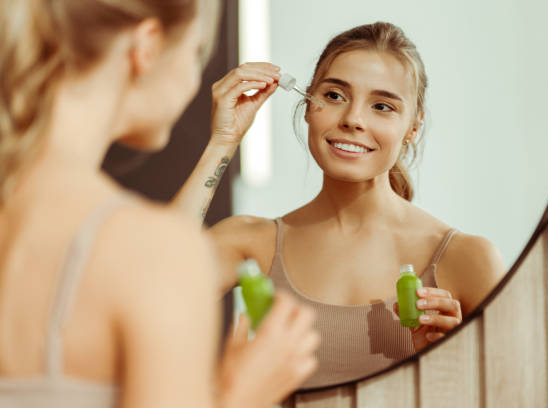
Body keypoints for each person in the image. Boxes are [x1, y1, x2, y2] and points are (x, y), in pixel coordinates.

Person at [0, 0, 319, 406]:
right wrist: (241, 394)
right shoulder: (153, 250)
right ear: (147, 45)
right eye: (195, 52)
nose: (193, 78)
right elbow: (157, 259)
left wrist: (223, 142)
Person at [174, 21, 506, 389]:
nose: (352, 120)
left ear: (413, 126)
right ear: (307, 105)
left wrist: (455, 365)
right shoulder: (250, 243)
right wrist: (223, 140)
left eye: (382, 106)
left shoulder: (467, 259)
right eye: (334, 96)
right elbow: (146, 283)